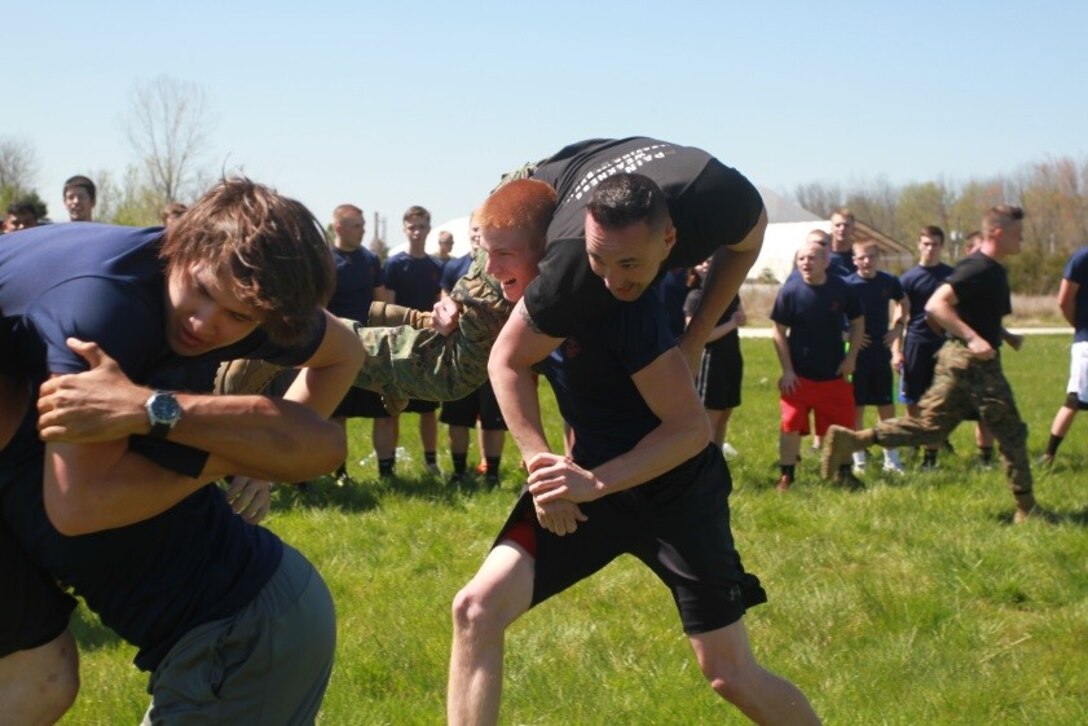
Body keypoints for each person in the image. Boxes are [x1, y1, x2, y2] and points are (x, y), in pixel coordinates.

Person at [449, 173, 820, 725]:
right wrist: (447, 314)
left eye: (505, 257)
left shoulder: (623, 311)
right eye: (485, 256)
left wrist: (589, 483)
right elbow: (496, 356)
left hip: (675, 494)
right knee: (475, 609)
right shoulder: (530, 304)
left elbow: (690, 430)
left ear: (549, 258)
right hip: (585, 489)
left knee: (728, 673)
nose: (490, 270)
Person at [0, 177, 364, 723]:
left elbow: (343, 356)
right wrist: (235, 453)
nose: (204, 323)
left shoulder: (243, 295)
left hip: (242, 637)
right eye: (201, 291)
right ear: (179, 245)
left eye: (238, 317)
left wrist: (248, 453)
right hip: (242, 628)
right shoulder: (100, 307)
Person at [822, 205, 1051, 524]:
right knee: (1011, 431)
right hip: (973, 363)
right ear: (997, 233)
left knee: (930, 426)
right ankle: (1027, 508)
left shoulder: (992, 269)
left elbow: (977, 314)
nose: (1022, 239)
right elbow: (935, 305)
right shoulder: (979, 268)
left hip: (962, 360)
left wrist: (1004, 337)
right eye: (1017, 233)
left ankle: (854, 440)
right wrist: (972, 339)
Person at [771, 238, 865, 491]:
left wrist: (851, 358)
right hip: (799, 377)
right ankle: (787, 477)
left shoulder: (843, 288)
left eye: (812, 258)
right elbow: (777, 330)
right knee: (789, 424)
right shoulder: (790, 292)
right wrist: (787, 370)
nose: (805, 263)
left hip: (834, 375)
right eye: (801, 258)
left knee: (843, 427)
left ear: (826, 261)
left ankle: (844, 473)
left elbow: (858, 322)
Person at [376, 205, 444, 476]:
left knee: (428, 410)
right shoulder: (393, 265)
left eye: (422, 226)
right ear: (404, 229)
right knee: (393, 407)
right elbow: (389, 307)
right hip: (400, 346)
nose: (417, 232)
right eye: (411, 227)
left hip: (428, 346)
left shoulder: (436, 266)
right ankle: (388, 468)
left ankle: (431, 463)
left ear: (429, 229)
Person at [438, 218, 507, 484]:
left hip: (494, 355)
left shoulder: (501, 264)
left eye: (484, 229)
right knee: (458, 418)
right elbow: (444, 300)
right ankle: (458, 472)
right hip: (460, 355)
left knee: (494, 420)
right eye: (475, 229)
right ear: (468, 232)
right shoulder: (454, 266)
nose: (478, 235)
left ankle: (492, 473)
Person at [326, 203, 389, 483]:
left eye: (363, 226)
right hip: (335, 346)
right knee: (336, 414)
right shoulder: (325, 260)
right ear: (339, 228)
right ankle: (340, 474)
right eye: (356, 226)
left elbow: (382, 300)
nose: (362, 231)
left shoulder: (370, 260)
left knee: (384, 410)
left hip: (370, 345)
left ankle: (387, 472)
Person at [893, 226, 954, 469]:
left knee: (939, 400)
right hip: (915, 343)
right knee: (912, 400)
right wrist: (896, 350)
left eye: (935, 244)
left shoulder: (951, 276)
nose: (930, 248)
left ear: (942, 246)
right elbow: (899, 317)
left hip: (944, 345)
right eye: (926, 243)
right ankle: (913, 444)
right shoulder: (907, 279)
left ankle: (932, 457)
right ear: (919, 244)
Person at [845, 241, 908, 474]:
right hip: (856, 354)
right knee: (856, 407)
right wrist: (848, 335)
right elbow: (834, 314)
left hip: (881, 352)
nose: (866, 261)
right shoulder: (847, 285)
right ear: (854, 260)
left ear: (878, 258)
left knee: (886, 407)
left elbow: (904, 302)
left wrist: (898, 327)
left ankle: (891, 459)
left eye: (871, 256)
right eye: (862, 257)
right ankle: (859, 459)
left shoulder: (888, 282)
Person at [685, 257, 745, 457]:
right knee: (711, 415)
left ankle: (716, 457)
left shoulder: (729, 291)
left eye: (710, 260)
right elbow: (701, 336)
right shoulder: (695, 297)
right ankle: (704, 462)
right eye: (701, 261)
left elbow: (741, 317)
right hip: (711, 360)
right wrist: (731, 325)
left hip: (732, 356)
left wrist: (737, 321)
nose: (705, 264)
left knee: (725, 412)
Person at [1040, 245, 1088, 465]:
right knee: (1075, 400)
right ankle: (1048, 455)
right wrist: (1079, 327)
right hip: (1087, 342)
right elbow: (1064, 300)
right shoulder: (1081, 258)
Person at [828, 207, 858, 275]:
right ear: (831, 228)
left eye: (846, 225)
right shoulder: (823, 256)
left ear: (853, 229)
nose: (842, 229)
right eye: (837, 225)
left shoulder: (859, 257)